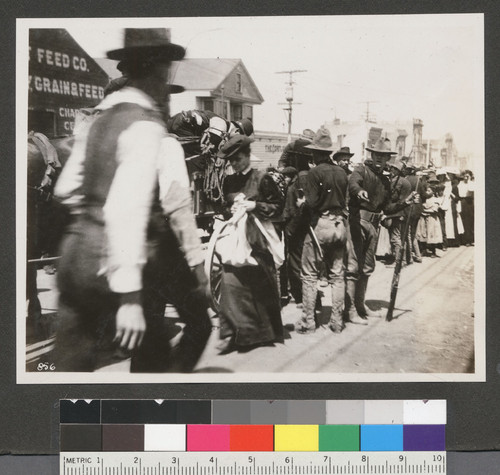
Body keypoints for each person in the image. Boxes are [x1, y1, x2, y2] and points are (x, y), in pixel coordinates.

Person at [52, 28, 211, 372]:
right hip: (124, 260)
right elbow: (129, 209)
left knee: (71, 363)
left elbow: (65, 190)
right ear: (158, 75)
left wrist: (92, 225)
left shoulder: (97, 121)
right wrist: (129, 299)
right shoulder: (147, 126)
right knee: (188, 331)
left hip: (76, 255)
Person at [216, 135, 285, 353]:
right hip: (235, 237)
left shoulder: (262, 178)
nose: (234, 164)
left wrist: (254, 205)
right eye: (231, 161)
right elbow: (223, 207)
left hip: (257, 237)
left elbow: (278, 207)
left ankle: (264, 334)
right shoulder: (229, 180)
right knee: (230, 282)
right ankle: (234, 333)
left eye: (237, 159)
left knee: (259, 284)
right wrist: (232, 209)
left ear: (247, 156)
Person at [348, 138, 418, 319]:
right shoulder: (361, 170)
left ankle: (360, 304)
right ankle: (350, 310)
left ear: (388, 159)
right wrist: (359, 191)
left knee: (367, 267)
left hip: (374, 225)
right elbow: (353, 183)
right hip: (358, 223)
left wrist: (405, 203)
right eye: (377, 154)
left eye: (384, 156)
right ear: (371, 154)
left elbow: (387, 208)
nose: (379, 158)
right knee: (353, 266)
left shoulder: (386, 181)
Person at [295, 128, 349, 334]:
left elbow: (313, 202)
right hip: (339, 225)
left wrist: (302, 203)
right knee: (337, 275)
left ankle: (309, 322)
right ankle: (336, 322)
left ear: (316, 153)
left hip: (321, 225)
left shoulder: (314, 173)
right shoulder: (342, 172)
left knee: (309, 275)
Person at [282, 166, 309, 306]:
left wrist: (289, 228)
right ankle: (297, 294)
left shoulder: (293, 189)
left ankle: (300, 297)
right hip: (292, 226)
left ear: (292, 176)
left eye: (286, 176)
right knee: (293, 262)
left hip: (293, 228)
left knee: (294, 263)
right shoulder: (292, 187)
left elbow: (294, 210)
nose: (284, 179)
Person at [384, 159, 412, 267]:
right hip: (403, 212)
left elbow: (395, 197)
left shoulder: (398, 181)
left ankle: (398, 261)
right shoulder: (404, 181)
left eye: (392, 169)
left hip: (397, 212)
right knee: (401, 237)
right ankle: (403, 260)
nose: (390, 171)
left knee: (395, 237)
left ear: (397, 170)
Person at [458, 170, 474, 246]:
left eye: (468, 176)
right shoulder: (460, 184)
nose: (466, 177)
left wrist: (469, 181)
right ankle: (466, 240)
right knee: (465, 220)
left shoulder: (471, 183)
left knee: (471, 220)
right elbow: (461, 194)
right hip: (463, 201)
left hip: (470, 202)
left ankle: (471, 239)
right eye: (465, 176)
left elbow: (471, 190)